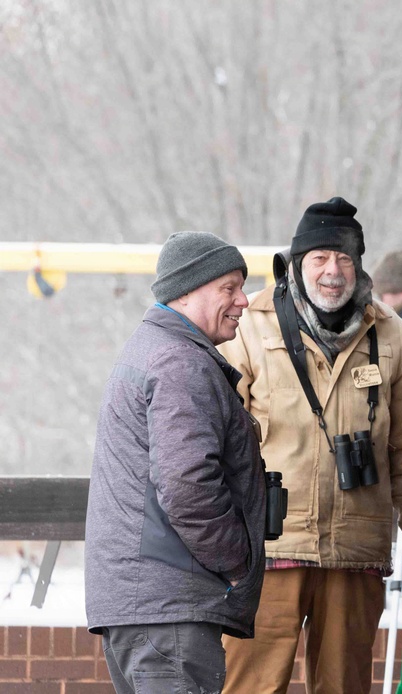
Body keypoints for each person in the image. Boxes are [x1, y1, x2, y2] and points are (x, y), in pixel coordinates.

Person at [217, 196, 402, 694]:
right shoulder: (251, 327)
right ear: (297, 263)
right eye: (320, 258)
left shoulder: (394, 336)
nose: (332, 271)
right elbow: (213, 441)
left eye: (344, 258)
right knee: (249, 688)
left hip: (354, 554)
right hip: (266, 551)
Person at [85, 231, 266, 694]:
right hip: (169, 610)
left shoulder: (153, 351)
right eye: (228, 287)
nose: (243, 301)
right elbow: (188, 485)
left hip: (146, 606)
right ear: (186, 291)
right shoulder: (179, 362)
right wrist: (235, 563)